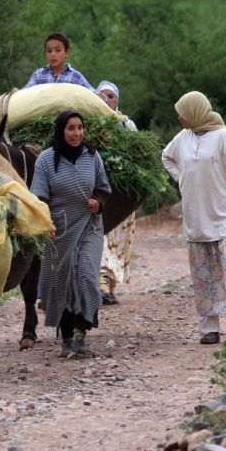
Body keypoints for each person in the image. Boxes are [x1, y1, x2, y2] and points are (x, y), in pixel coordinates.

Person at [161, 91, 226, 344]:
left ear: (196, 111)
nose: (179, 117)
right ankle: (209, 328)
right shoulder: (182, 138)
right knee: (204, 275)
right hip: (197, 220)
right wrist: (182, 179)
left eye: (183, 112)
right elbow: (166, 157)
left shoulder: (223, 137)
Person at [30, 110, 111, 356]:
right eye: (71, 128)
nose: (77, 134)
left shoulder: (92, 156)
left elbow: (103, 187)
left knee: (86, 273)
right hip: (59, 228)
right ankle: (66, 338)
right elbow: (39, 198)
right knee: (62, 281)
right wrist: (45, 225)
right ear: (61, 131)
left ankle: (80, 334)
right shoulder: (45, 160)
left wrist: (98, 201)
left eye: (80, 128)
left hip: (89, 225)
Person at [95, 80, 137, 306]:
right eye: (102, 95)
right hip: (101, 191)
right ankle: (100, 282)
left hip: (122, 194)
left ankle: (110, 286)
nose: (106, 100)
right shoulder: (93, 123)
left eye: (110, 96)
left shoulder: (127, 125)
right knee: (101, 236)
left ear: (117, 99)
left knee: (120, 241)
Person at [23, 32, 95, 90]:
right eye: (49, 51)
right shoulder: (39, 75)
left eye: (58, 50)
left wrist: (105, 87)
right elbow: (25, 93)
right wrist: (16, 93)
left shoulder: (75, 77)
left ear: (67, 52)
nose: (53, 54)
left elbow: (93, 95)